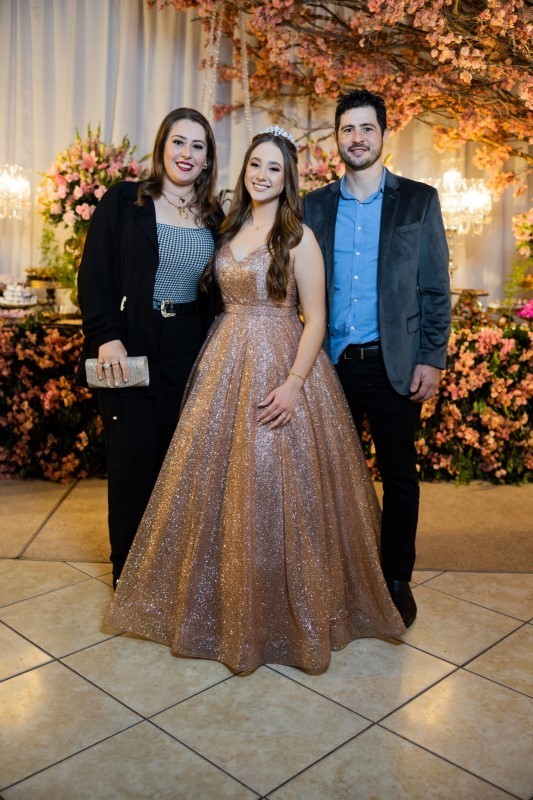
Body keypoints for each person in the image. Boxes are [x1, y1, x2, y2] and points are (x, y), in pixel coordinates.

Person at [105, 126, 405, 674]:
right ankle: (217, 602)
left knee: (277, 483)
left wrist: (293, 383)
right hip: (223, 359)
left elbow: (316, 319)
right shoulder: (226, 226)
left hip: (282, 361)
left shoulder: (299, 237)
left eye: (274, 168)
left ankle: (282, 613)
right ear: (243, 170)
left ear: (288, 179)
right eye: (255, 165)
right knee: (215, 484)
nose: (262, 175)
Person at [302, 90, 451, 627]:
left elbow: (435, 288)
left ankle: (395, 580)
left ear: (384, 134)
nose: (358, 138)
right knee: (325, 476)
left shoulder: (418, 201)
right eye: (348, 129)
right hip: (329, 365)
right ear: (337, 138)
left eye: (367, 128)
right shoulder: (314, 206)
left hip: (395, 363)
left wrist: (431, 357)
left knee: (399, 477)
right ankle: (334, 577)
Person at [77, 107, 224, 588]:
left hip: (188, 347)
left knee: (178, 464)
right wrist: (105, 336)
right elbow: (94, 275)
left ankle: (169, 574)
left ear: (208, 159)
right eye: (179, 142)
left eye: (198, 146)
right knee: (131, 460)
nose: (187, 153)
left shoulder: (214, 216)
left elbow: (220, 290)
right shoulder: (125, 201)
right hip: (131, 340)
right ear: (162, 146)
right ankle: (129, 577)